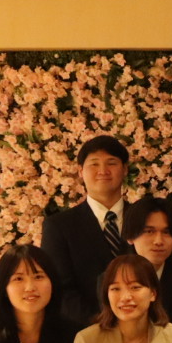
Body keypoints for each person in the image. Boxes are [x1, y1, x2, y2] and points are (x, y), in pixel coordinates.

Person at [40, 133, 130, 325]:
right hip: (84, 331)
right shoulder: (59, 226)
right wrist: (100, 325)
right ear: (81, 172)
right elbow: (60, 289)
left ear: (125, 169)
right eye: (94, 164)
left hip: (143, 330)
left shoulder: (143, 219)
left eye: (111, 163)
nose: (103, 170)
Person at [122, 197, 172, 329]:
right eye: (150, 231)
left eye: (166, 232)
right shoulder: (113, 279)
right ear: (130, 237)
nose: (159, 241)